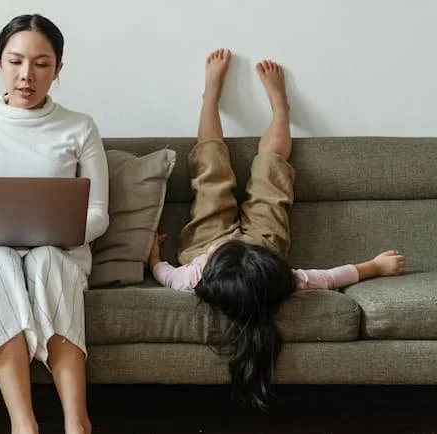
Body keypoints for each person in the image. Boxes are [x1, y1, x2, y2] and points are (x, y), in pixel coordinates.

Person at [148, 48, 406, 409]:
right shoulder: (278, 278)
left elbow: (166, 275)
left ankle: (210, 97)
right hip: (262, 248)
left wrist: (155, 257)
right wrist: (375, 267)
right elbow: (329, 277)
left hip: (208, 246)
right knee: (271, 172)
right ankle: (281, 109)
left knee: (210, 173)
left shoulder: (194, 276)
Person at [0, 14, 108, 434]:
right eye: (15, 61)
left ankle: (76, 422)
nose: (26, 76)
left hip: (59, 250)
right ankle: (23, 424)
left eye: (41, 64)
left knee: (47, 261)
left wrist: (60, 231)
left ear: (58, 69)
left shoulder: (80, 127)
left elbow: (98, 213)